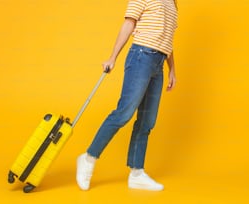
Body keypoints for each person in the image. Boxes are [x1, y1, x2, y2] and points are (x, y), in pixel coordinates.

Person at [76, 0, 178, 191]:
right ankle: (88, 159)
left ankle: (136, 172)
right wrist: (112, 57)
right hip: (141, 56)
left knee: (147, 121)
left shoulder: (172, 3)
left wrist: (172, 69)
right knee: (124, 113)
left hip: (158, 63)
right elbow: (129, 23)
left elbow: (167, 39)